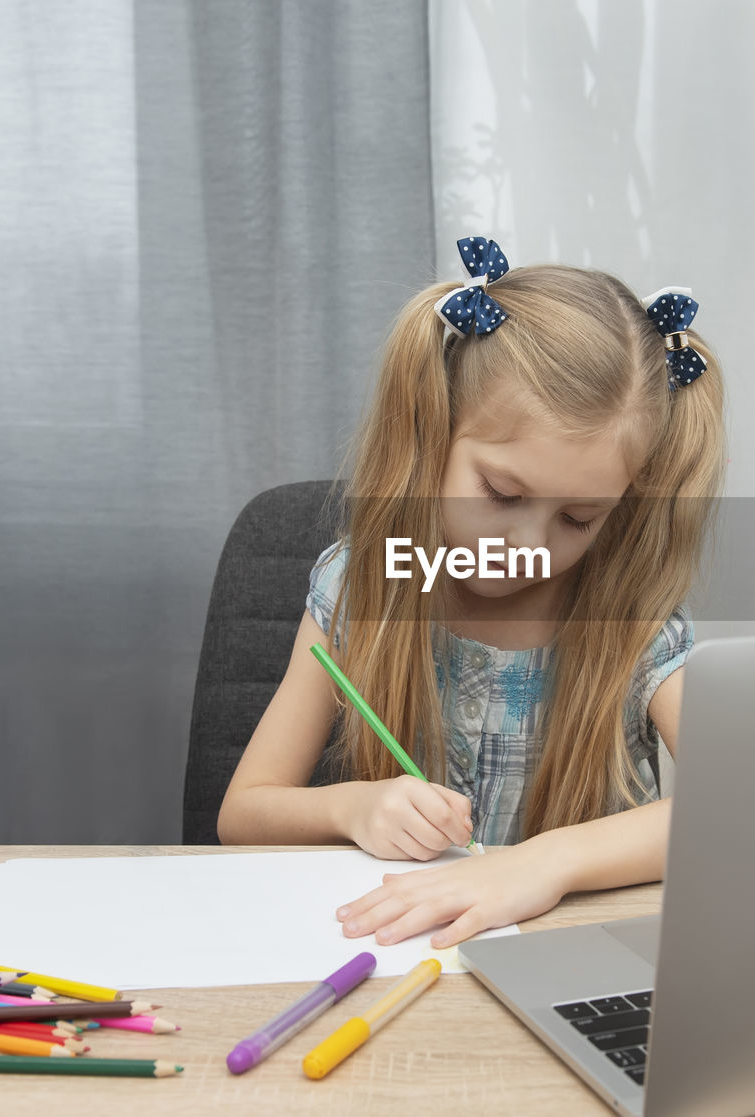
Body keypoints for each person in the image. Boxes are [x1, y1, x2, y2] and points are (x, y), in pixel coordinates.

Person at [217, 237, 726, 949]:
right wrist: (356, 808)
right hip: (405, 959)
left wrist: (547, 860)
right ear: (432, 436)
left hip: (572, 960)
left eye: (578, 518)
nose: (528, 546)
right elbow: (243, 812)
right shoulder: (372, 582)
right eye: (501, 492)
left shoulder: (630, 620)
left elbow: (740, 803)